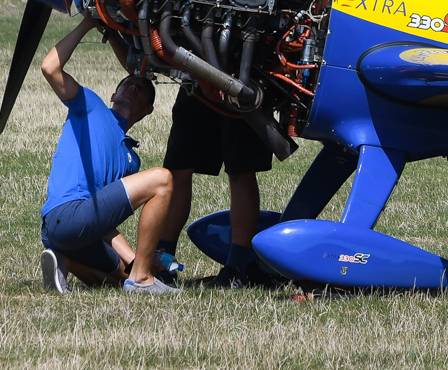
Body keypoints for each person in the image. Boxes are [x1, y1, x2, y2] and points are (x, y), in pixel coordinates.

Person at [37, 15, 177, 294]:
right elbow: (49, 67)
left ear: (148, 110)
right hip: (65, 215)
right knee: (163, 179)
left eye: (143, 89)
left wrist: (135, 259)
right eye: (128, 84)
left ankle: (64, 261)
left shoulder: (130, 159)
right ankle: (142, 279)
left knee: (118, 281)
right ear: (113, 94)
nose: (135, 86)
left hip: (74, 233)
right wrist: (87, 24)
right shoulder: (90, 105)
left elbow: (104, 220)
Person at [157, 86, 276, 288]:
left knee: (241, 169)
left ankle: (236, 269)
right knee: (177, 169)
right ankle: (162, 263)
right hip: (196, 77)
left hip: (243, 76)